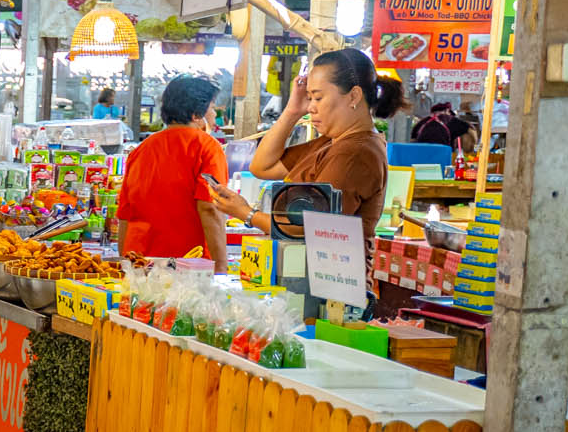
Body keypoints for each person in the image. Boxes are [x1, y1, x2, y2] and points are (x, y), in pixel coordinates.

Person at [206, 47, 401, 279]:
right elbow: (262, 166)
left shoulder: (355, 152)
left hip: (332, 290)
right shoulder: (330, 142)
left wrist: (246, 213)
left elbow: (311, 228)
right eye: (309, 98)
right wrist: (292, 111)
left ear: (354, 96)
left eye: (318, 98)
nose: (311, 107)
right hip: (308, 280)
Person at [115, 75, 230, 271]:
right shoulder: (207, 146)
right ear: (196, 114)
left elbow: (125, 213)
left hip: (140, 263)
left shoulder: (141, 149)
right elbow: (209, 209)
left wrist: (126, 262)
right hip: (186, 267)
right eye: (211, 109)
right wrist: (220, 268)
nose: (213, 115)